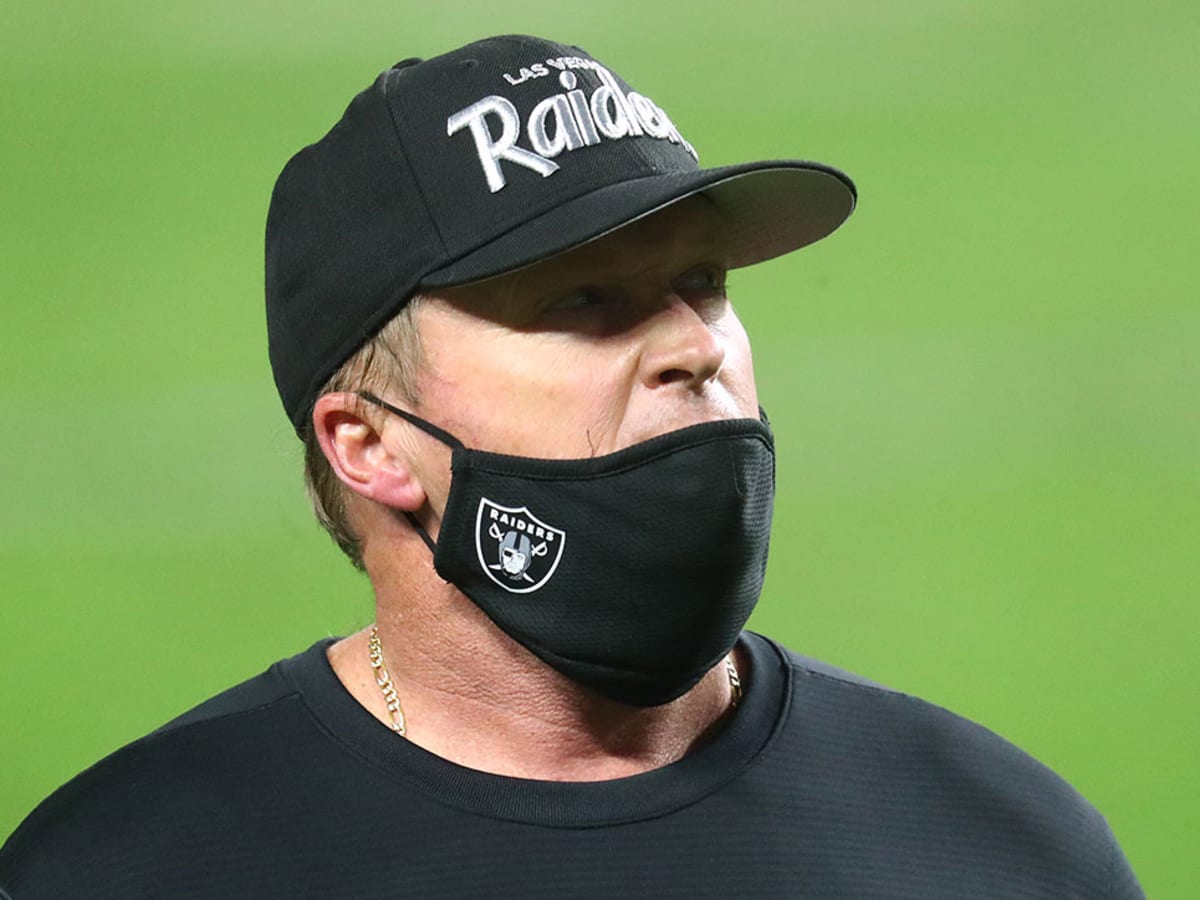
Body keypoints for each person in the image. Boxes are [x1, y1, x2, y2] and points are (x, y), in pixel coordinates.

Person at [0, 34, 1143, 899]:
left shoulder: (1004, 846)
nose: (694, 346)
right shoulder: (132, 866)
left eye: (703, 283)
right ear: (370, 442)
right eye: (585, 300)